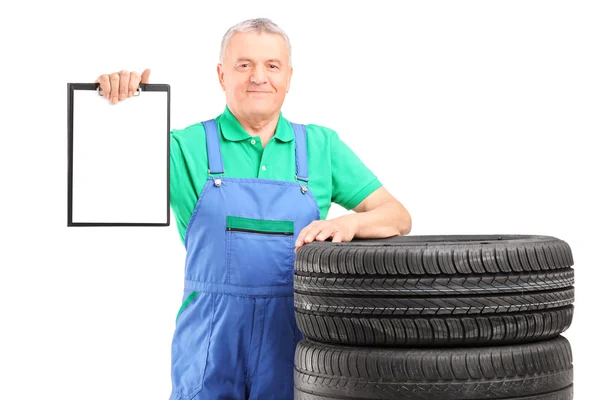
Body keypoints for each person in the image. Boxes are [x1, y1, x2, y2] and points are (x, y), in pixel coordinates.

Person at [95, 17, 411, 400]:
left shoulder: (321, 147)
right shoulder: (183, 147)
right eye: (244, 65)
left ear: (289, 76)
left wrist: (349, 224)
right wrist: (121, 106)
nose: (258, 77)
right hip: (209, 344)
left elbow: (397, 216)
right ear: (221, 75)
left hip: (294, 337)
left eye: (272, 66)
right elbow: (102, 171)